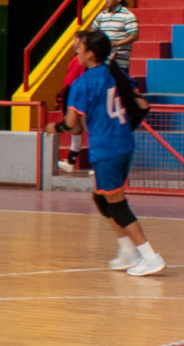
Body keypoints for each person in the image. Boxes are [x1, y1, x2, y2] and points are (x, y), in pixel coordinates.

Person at [63, 30, 164, 275]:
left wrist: (53, 127)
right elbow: (142, 105)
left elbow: (71, 124)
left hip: (106, 148)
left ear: (90, 53)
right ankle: (127, 250)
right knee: (101, 196)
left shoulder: (83, 83)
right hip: (123, 143)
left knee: (116, 203)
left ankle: (150, 256)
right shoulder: (117, 73)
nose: (77, 49)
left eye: (81, 46)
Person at [92, 0, 140, 74]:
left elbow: (134, 36)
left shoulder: (128, 16)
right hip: (102, 61)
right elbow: (93, 32)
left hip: (119, 63)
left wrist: (115, 44)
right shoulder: (102, 15)